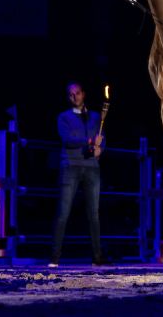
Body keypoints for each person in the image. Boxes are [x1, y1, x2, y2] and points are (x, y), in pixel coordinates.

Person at [49, 82, 106, 267]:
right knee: (63, 213)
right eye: (71, 94)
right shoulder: (63, 117)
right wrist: (89, 141)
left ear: (84, 94)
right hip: (71, 167)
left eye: (78, 93)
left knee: (94, 214)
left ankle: (98, 257)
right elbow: (67, 140)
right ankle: (55, 257)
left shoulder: (96, 116)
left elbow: (101, 139)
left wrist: (100, 149)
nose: (75, 97)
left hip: (91, 167)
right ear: (68, 97)